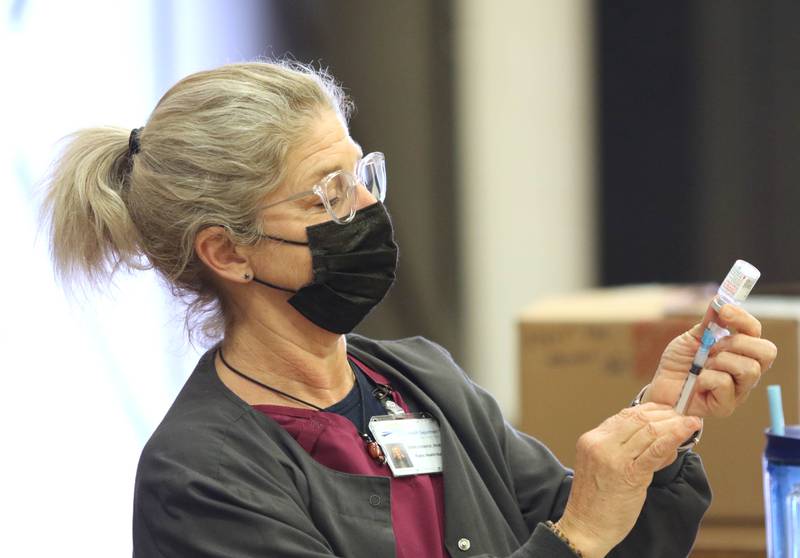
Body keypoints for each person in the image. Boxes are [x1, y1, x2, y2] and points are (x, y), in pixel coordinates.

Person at [43, 62, 777, 558]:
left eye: (360, 173)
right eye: (325, 192)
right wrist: (576, 535)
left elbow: (607, 533)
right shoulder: (201, 477)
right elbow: (580, 534)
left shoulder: (418, 378)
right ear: (228, 253)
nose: (365, 206)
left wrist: (664, 407)